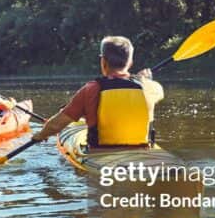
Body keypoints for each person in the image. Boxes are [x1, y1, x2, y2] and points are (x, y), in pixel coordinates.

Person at [32, 35, 163, 148]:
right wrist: (145, 79)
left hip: (101, 152)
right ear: (130, 63)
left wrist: (40, 135)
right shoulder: (150, 87)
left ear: (103, 61)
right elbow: (157, 92)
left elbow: (57, 125)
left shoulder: (91, 89)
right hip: (142, 152)